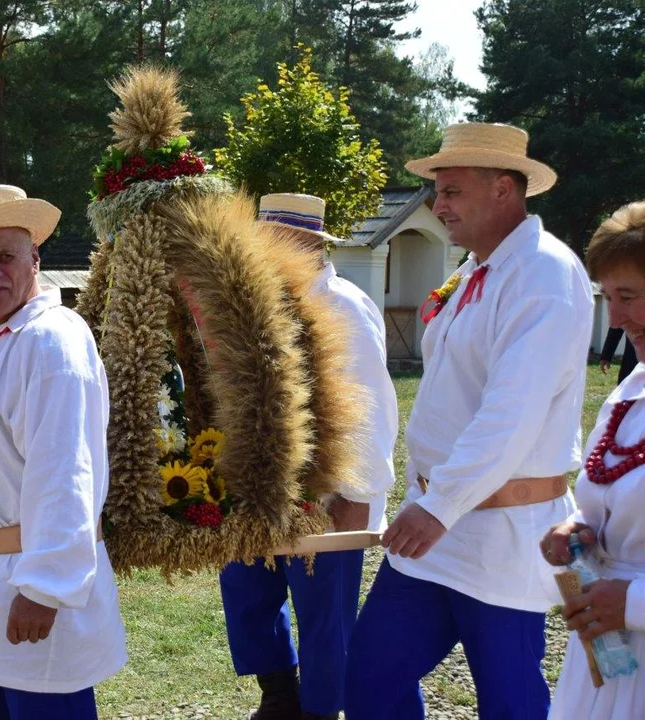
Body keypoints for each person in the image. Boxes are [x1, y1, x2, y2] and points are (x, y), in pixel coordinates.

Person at [344, 123, 594, 719]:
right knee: (371, 679)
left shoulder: (545, 274)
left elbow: (513, 413)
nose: (438, 205)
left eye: (451, 190)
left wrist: (437, 506)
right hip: (440, 531)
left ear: (504, 189)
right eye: (439, 190)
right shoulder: (480, 271)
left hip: (500, 537)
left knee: (509, 703)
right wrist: (434, 506)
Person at [0, 184, 127, 719]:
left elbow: (65, 470)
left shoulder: (50, 340)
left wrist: (45, 586)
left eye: (5, 257)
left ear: (36, 258)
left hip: (30, 580)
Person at [217, 193, 397, 720]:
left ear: (311, 246)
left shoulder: (342, 305)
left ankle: (322, 711)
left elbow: (372, 407)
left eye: (281, 243)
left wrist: (358, 496)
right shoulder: (263, 305)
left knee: (323, 613)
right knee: (247, 590)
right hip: (262, 488)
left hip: (327, 494)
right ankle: (279, 694)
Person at [541, 200, 645, 719]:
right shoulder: (628, 392)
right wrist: (579, 527)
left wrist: (633, 602)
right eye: (610, 298)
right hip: (607, 647)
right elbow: (611, 490)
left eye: (629, 297)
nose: (618, 317)